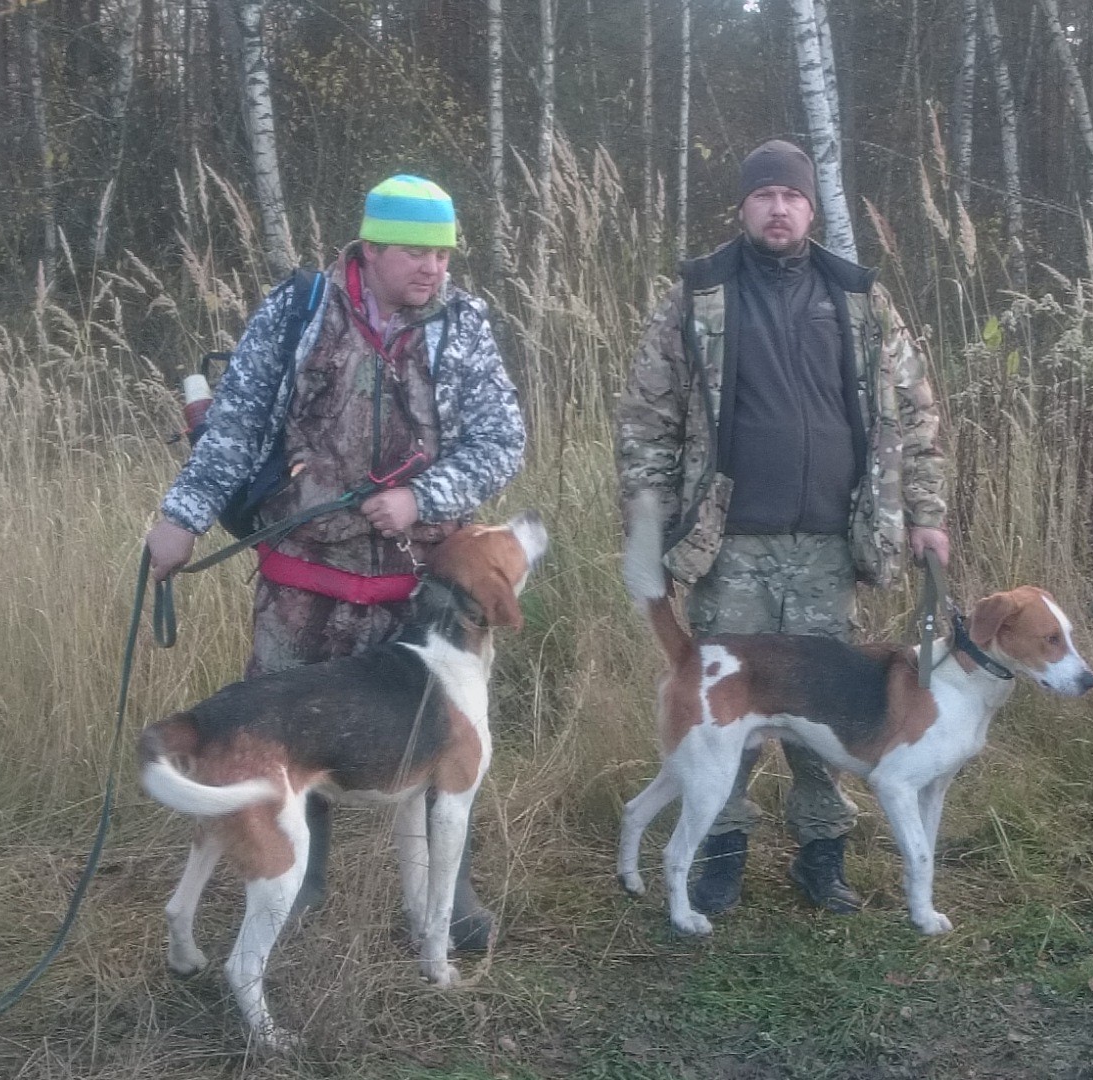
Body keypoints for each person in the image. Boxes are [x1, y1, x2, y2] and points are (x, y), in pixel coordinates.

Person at [144, 174, 526, 949]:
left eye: (444, 255)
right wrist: (180, 517)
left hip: (417, 591)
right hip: (301, 582)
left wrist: (424, 498)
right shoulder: (298, 313)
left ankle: (445, 901)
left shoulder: (465, 325)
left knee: (437, 742)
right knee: (289, 732)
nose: (433, 269)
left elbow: (502, 442)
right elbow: (236, 428)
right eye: (416, 253)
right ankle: (297, 881)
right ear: (372, 249)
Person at [616, 139, 950, 917]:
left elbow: (916, 415)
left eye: (791, 196)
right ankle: (720, 860)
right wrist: (652, 523)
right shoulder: (698, 295)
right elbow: (646, 419)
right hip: (729, 545)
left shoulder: (860, 298)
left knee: (829, 709)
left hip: (832, 544)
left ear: (812, 208)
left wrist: (926, 517)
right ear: (743, 207)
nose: (777, 208)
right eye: (763, 194)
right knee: (725, 716)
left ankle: (821, 856)